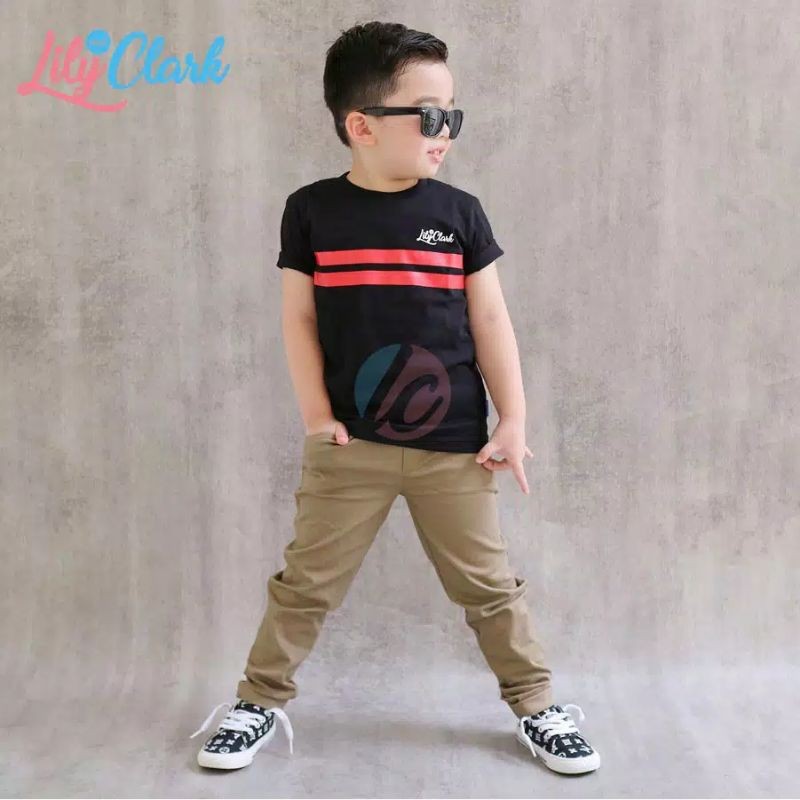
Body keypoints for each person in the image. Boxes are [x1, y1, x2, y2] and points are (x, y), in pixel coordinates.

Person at [190, 20, 600, 775]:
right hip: (350, 447)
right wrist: (317, 417)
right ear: (362, 125)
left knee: (489, 589)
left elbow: (491, 320)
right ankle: (257, 700)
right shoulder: (312, 212)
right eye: (431, 115)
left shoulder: (460, 214)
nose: (447, 133)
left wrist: (513, 418)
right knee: (305, 585)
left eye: (454, 115)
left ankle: (537, 705)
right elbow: (299, 319)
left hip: (456, 449)